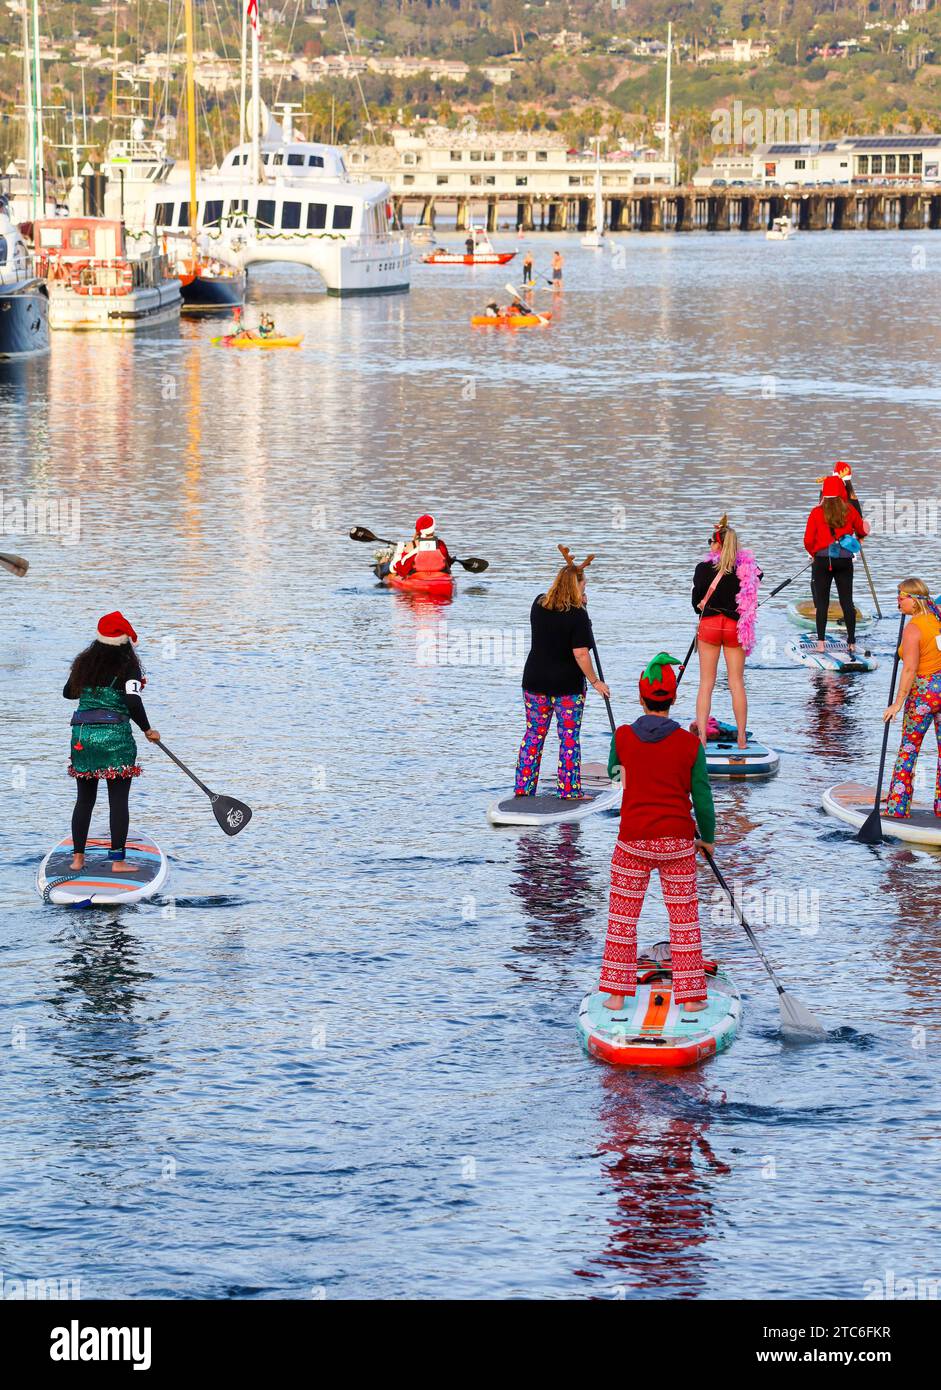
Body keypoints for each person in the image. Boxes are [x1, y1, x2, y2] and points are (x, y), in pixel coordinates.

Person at [599, 653, 714, 1014]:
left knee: (622, 920)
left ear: (641, 698)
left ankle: (617, 997)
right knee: (684, 922)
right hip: (678, 842)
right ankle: (692, 999)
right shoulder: (690, 744)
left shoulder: (622, 737)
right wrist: (706, 837)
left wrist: (632, 769)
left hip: (632, 840)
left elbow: (616, 777)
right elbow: (703, 798)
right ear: (673, 700)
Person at [64, 612, 161, 873]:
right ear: (125, 641)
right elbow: (132, 702)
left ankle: (77, 860)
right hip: (115, 739)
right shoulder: (129, 667)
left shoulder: (84, 663)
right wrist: (147, 729)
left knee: (84, 800)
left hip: (83, 738)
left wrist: (90, 685)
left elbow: (68, 693)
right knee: (118, 800)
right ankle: (118, 862)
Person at [514, 546, 610, 800]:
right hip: (567, 687)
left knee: (533, 735)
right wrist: (596, 681)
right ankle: (569, 791)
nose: (585, 590)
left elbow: (554, 608)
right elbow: (580, 654)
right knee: (568, 739)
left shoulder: (538, 604)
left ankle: (523, 788)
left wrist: (580, 604)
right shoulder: (577, 617)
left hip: (534, 681)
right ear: (575, 587)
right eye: (583, 586)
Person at [690, 515, 761, 750]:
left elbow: (695, 602)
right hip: (734, 628)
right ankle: (741, 738)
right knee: (736, 682)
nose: (709, 544)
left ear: (716, 545)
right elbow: (758, 577)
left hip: (709, 625)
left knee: (706, 683)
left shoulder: (702, 569)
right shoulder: (747, 569)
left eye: (711, 540)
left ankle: (700, 738)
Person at [884, 579, 941, 820]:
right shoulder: (937, 619)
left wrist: (897, 703)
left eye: (902, 597)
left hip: (924, 692)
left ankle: (898, 808)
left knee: (909, 748)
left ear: (915, 601)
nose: (898, 601)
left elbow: (909, 670)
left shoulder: (913, 628)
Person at [803, 475, 870, 652]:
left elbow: (808, 540)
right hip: (844, 561)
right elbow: (862, 530)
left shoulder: (816, 512)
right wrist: (865, 529)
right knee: (847, 602)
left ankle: (820, 644)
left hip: (822, 561)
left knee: (822, 603)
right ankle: (851, 643)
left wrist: (813, 554)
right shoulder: (849, 510)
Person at [391, 514, 452, 580]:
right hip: (438, 576)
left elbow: (401, 569)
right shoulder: (441, 544)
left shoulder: (412, 545)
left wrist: (399, 553)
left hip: (417, 578)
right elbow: (447, 562)